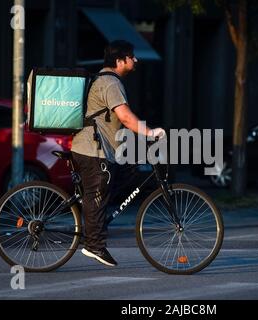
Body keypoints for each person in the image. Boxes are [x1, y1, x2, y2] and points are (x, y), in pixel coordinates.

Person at [71, 40, 165, 267]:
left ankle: (96, 227)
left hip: (96, 148)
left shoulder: (103, 80)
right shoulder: (111, 83)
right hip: (93, 150)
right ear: (120, 60)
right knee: (97, 194)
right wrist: (150, 132)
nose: (135, 60)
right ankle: (94, 245)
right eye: (131, 56)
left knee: (123, 176)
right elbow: (124, 116)